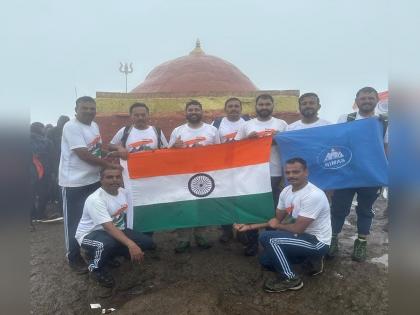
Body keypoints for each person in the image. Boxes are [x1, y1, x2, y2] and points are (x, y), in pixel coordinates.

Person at [234, 158, 331, 292]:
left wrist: (277, 226)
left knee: (268, 238)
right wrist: (249, 226)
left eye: (296, 172)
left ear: (306, 172)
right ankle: (311, 260)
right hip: (300, 237)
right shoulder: (286, 191)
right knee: (266, 260)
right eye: (288, 172)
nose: (291, 176)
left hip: (317, 241)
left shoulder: (313, 195)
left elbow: (296, 228)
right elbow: (276, 219)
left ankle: (291, 279)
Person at [59, 96, 121, 273]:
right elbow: (83, 154)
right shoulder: (71, 126)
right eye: (84, 108)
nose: (88, 111)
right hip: (73, 183)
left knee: (97, 220)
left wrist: (115, 149)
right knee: (75, 222)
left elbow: (97, 146)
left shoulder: (94, 125)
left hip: (93, 180)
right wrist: (109, 165)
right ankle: (73, 256)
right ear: (76, 109)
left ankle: (97, 253)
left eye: (91, 108)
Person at [329, 87, 389, 262]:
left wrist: (384, 173)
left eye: (371, 98)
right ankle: (332, 239)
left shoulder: (383, 122)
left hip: (370, 176)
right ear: (357, 100)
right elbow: (336, 144)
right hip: (345, 175)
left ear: (377, 101)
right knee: (339, 209)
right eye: (363, 98)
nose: (367, 100)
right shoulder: (346, 119)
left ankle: (361, 242)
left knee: (365, 210)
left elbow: (387, 150)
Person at [75, 167, 155, 288]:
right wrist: (131, 244)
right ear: (101, 180)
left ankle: (108, 255)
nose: (114, 180)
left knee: (148, 243)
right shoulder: (95, 199)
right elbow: (108, 227)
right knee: (106, 244)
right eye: (109, 177)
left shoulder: (123, 192)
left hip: (116, 230)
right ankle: (95, 268)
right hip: (91, 234)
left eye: (118, 177)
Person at [236, 94, 288, 256]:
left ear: (273, 106)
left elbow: (291, 145)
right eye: (261, 104)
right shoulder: (247, 125)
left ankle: (268, 243)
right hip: (253, 173)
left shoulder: (282, 124)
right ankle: (252, 243)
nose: (264, 107)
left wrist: (280, 139)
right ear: (256, 106)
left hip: (276, 173)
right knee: (253, 208)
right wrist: (247, 140)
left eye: (267, 104)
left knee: (272, 210)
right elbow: (236, 147)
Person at [168, 100, 220, 253]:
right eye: (190, 109)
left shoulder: (212, 130)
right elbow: (168, 153)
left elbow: (219, 152)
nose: (194, 112)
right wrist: (174, 147)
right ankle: (182, 240)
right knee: (183, 207)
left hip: (205, 175)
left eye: (197, 109)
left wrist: (205, 150)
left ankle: (201, 236)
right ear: (186, 112)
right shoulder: (178, 130)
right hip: (183, 176)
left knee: (203, 206)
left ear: (202, 112)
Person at [212, 97, 249, 243]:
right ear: (225, 109)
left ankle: (242, 231)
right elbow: (212, 145)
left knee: (242, 199)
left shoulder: (248, 122)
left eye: (236, 106)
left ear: (241, 108)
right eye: (230, 106)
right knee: (225, 200)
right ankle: (226, 230)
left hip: (244, 167)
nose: (233, 108)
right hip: (224, 169)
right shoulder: (217, 123)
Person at [47, 115, 70, 216]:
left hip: (64, 163)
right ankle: (62, 210)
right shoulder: (52, 132)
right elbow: (50, 151)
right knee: (61, 187)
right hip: (56, 164)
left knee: (62, 187)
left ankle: (63, 209)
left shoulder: (68, 131)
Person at [31, 122, 53, 221]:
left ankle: (32, 214)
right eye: (42, 128)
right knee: (44, 193)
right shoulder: (47, 141)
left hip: (30, 170)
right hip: (45, 170)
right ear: (40, 129)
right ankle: (41, 213)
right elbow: (52, 156)